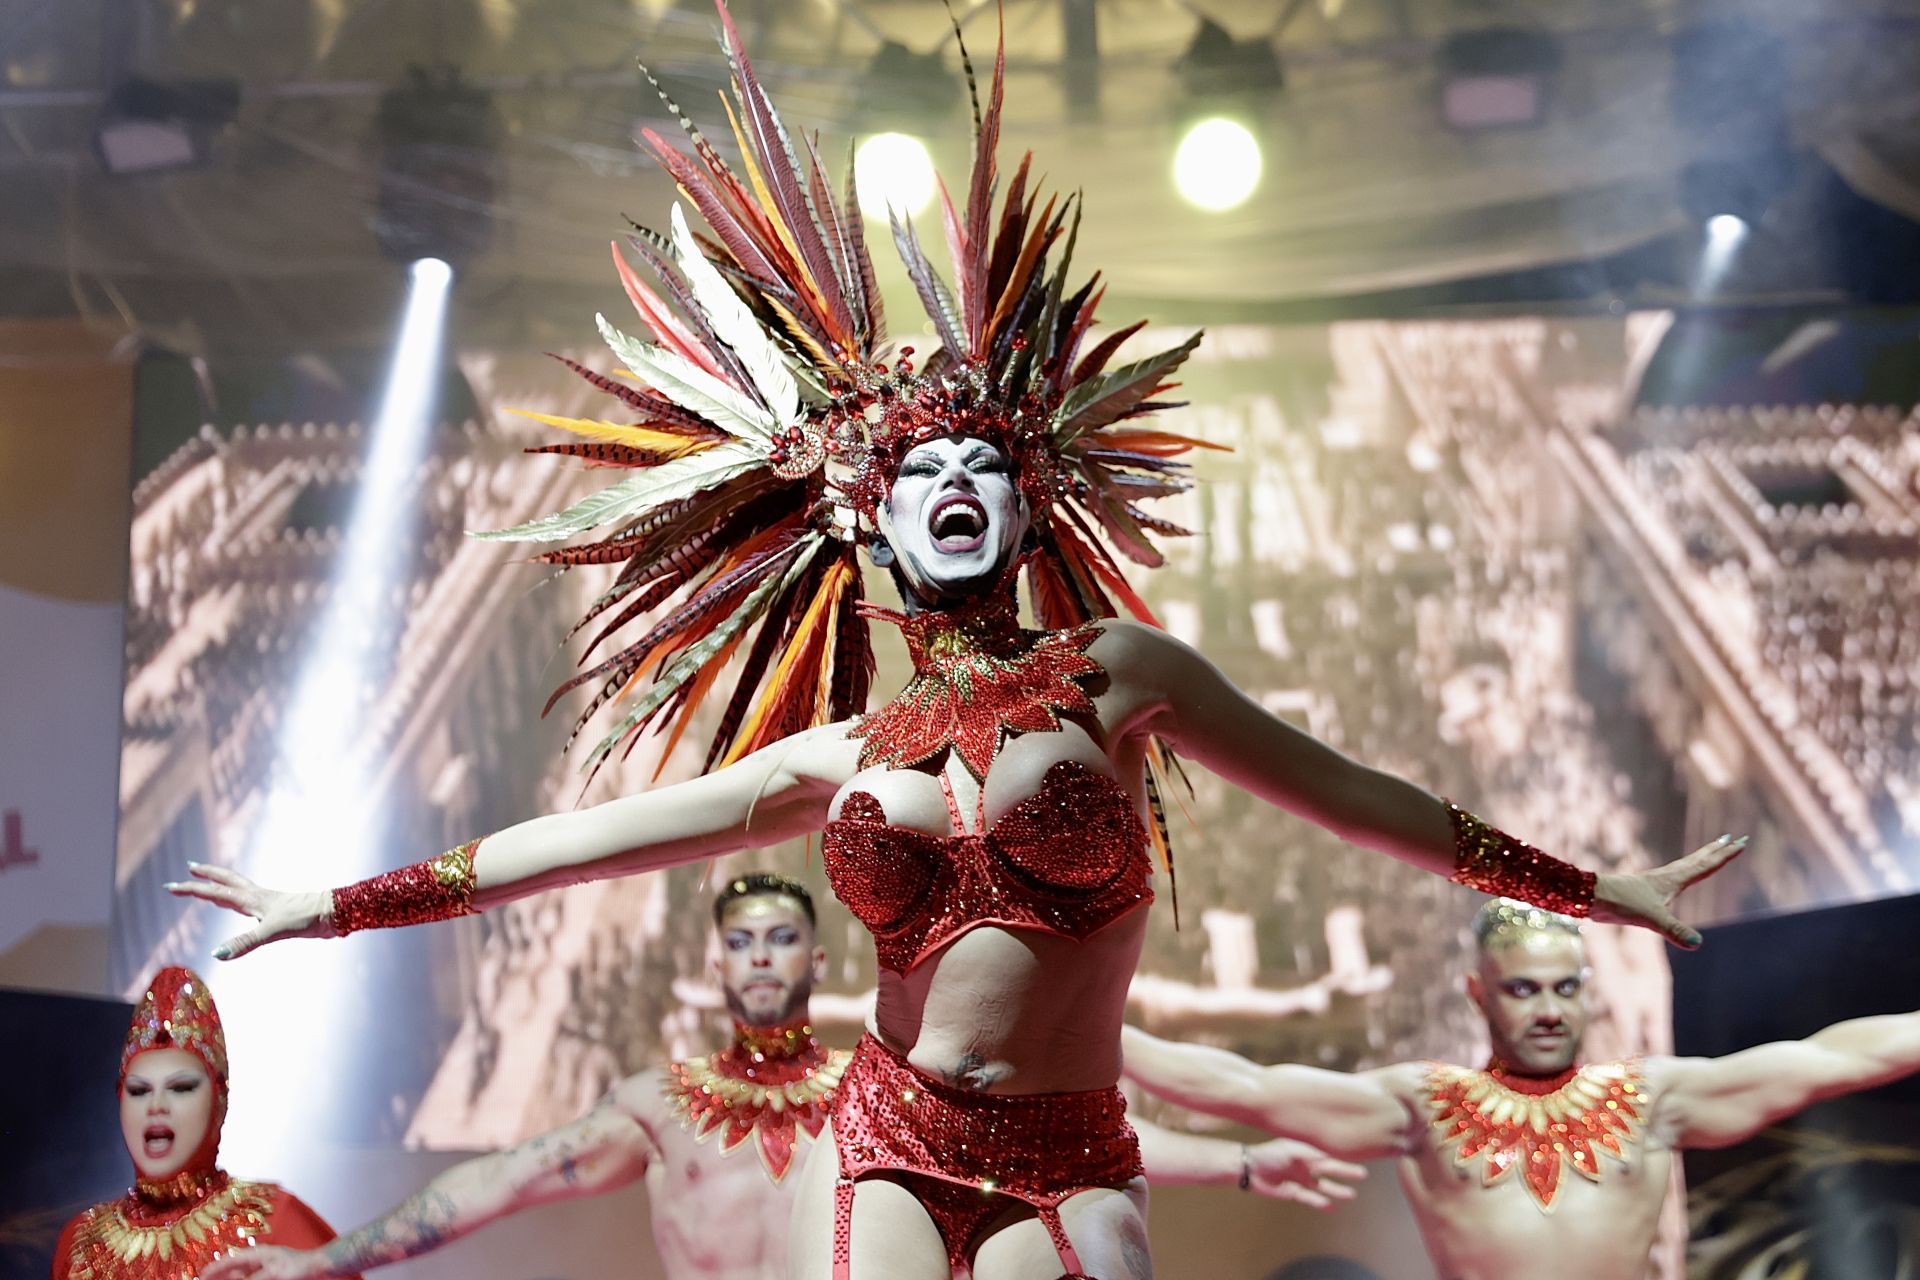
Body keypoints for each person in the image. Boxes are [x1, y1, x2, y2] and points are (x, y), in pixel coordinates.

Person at [168, 4, 1743, 1275]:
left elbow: (1356, 798)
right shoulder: (837, 756)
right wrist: (329, 905)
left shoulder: (1123, 674)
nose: (959, 487)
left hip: (1076, 1156)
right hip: (889, 1140)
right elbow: (570, 848)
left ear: (1029, 495)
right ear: (867, 518)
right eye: (924, 471)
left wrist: (1595, 888)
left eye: (987, 465)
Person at [187, 874, 1356, 1280]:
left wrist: (1248, 1160)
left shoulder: (881, 1090)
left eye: (780, 939)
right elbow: (501, 1177)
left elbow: (1075, 1145)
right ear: (716, 958)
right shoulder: (661, 1102)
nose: (759, 958)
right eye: (740, 940)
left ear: (818, 953)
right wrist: (326, 1256)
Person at [1119, 898, 1920, 1280]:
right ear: (1480, 994)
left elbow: (1834, 1059)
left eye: (1564, 989)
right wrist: (1070, 1024)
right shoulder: (1423, 1105)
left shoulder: (1651, 1099)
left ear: (1589, 992)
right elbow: (1235, 1086)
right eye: (1523, 990)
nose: (1547, 1010)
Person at [50, 966, 361, 1280]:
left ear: (219, 1100)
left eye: (181, 1088)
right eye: (139, 1091)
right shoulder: (81, 1241)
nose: (156, 1106)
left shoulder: (273, 1220)